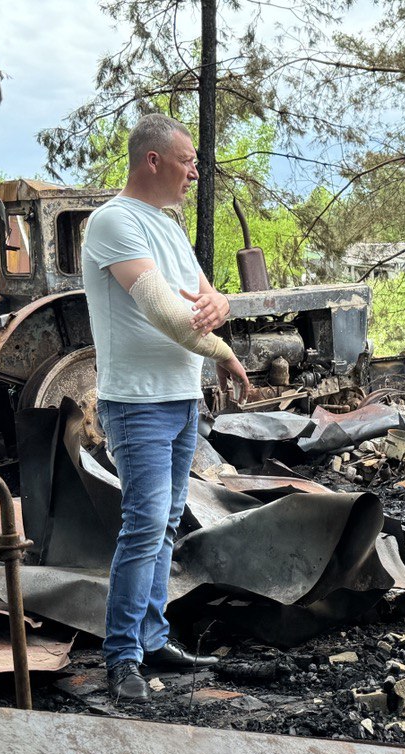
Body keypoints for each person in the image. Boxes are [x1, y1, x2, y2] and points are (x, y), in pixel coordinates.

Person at [81, 113, 250, 700]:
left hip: (181, 397)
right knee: (145, 524)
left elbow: (206, 298)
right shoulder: (113, 222)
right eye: (187, 161)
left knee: (168, 521)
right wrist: (224, 351)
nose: (195, 173)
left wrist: (221, 303)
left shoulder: (170, 226)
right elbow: (164, 309)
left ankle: (153, 638)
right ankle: (122, 656)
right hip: (138, 403)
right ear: (152, 160)